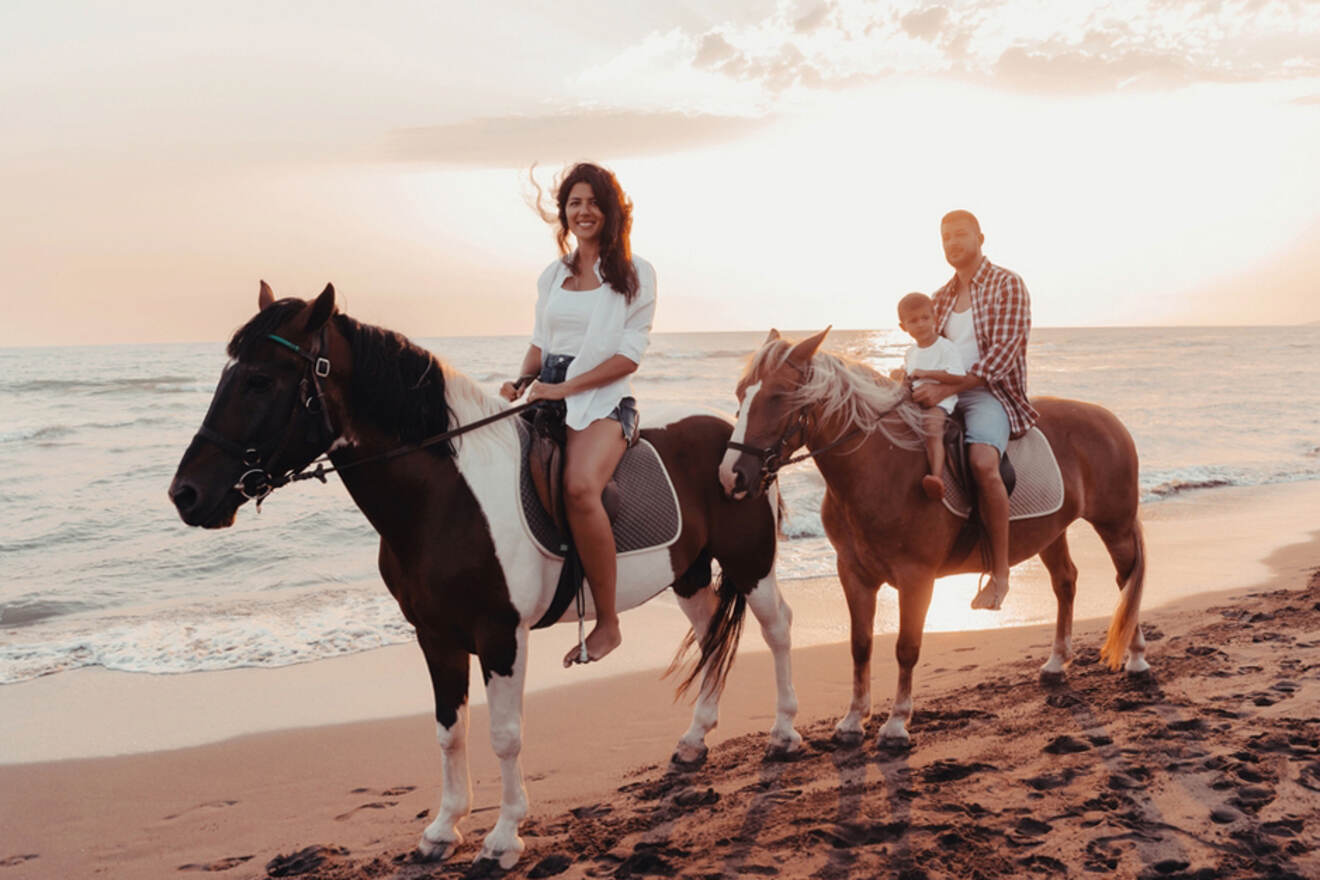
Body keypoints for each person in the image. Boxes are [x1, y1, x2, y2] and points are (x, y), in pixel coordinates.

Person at [500, 162, 657, 666]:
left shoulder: (636, 275)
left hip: (603, 401)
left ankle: (608, 624)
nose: (583, 211)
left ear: (610, 210)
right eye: (574, 203)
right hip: (546, 391)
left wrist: (564, 388)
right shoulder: (553, 275)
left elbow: (627, 358)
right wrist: (520, 380)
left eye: (593, 202)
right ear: (564, 214)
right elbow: (542, 342)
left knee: (579, 488)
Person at [911, 210, 1037, 611]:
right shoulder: (939, 298)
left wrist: (945, 386)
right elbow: (927, 347)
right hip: (943, 392)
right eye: (945, 237)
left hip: (989, 393)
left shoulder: (1007, 285)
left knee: (983, 462)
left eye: (960, 234)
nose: (952, 242)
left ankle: (999, 576)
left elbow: (1001, 357)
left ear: (980, 237)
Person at [891, 292, 965, 501]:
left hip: (941, 401)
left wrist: (927, 373)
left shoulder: (945, 347)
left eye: (925, 318)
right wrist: (900, 377)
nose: (921, 324)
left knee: (932, 428)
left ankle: (936, 477)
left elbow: (958, 376)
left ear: (936, 318)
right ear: (903, 327)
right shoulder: (911, 352)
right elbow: (910, 377)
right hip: (917, 400)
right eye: (913, 321)